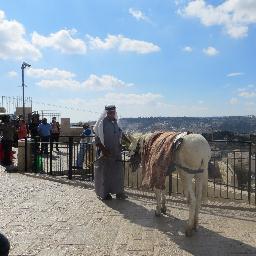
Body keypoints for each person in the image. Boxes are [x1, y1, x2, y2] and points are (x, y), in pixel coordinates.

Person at [94, 105, 127, 200]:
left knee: (118, 173)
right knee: (106, 174)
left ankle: (119, 193)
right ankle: (104, 193)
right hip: (106, 153)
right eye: (110, 112)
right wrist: (104, 150)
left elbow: (121, 135)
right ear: (106, 113)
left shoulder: (116, 123)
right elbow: (97, 139)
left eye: (113, 112)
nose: (112, 114)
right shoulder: (101, 124)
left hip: (116, 152)